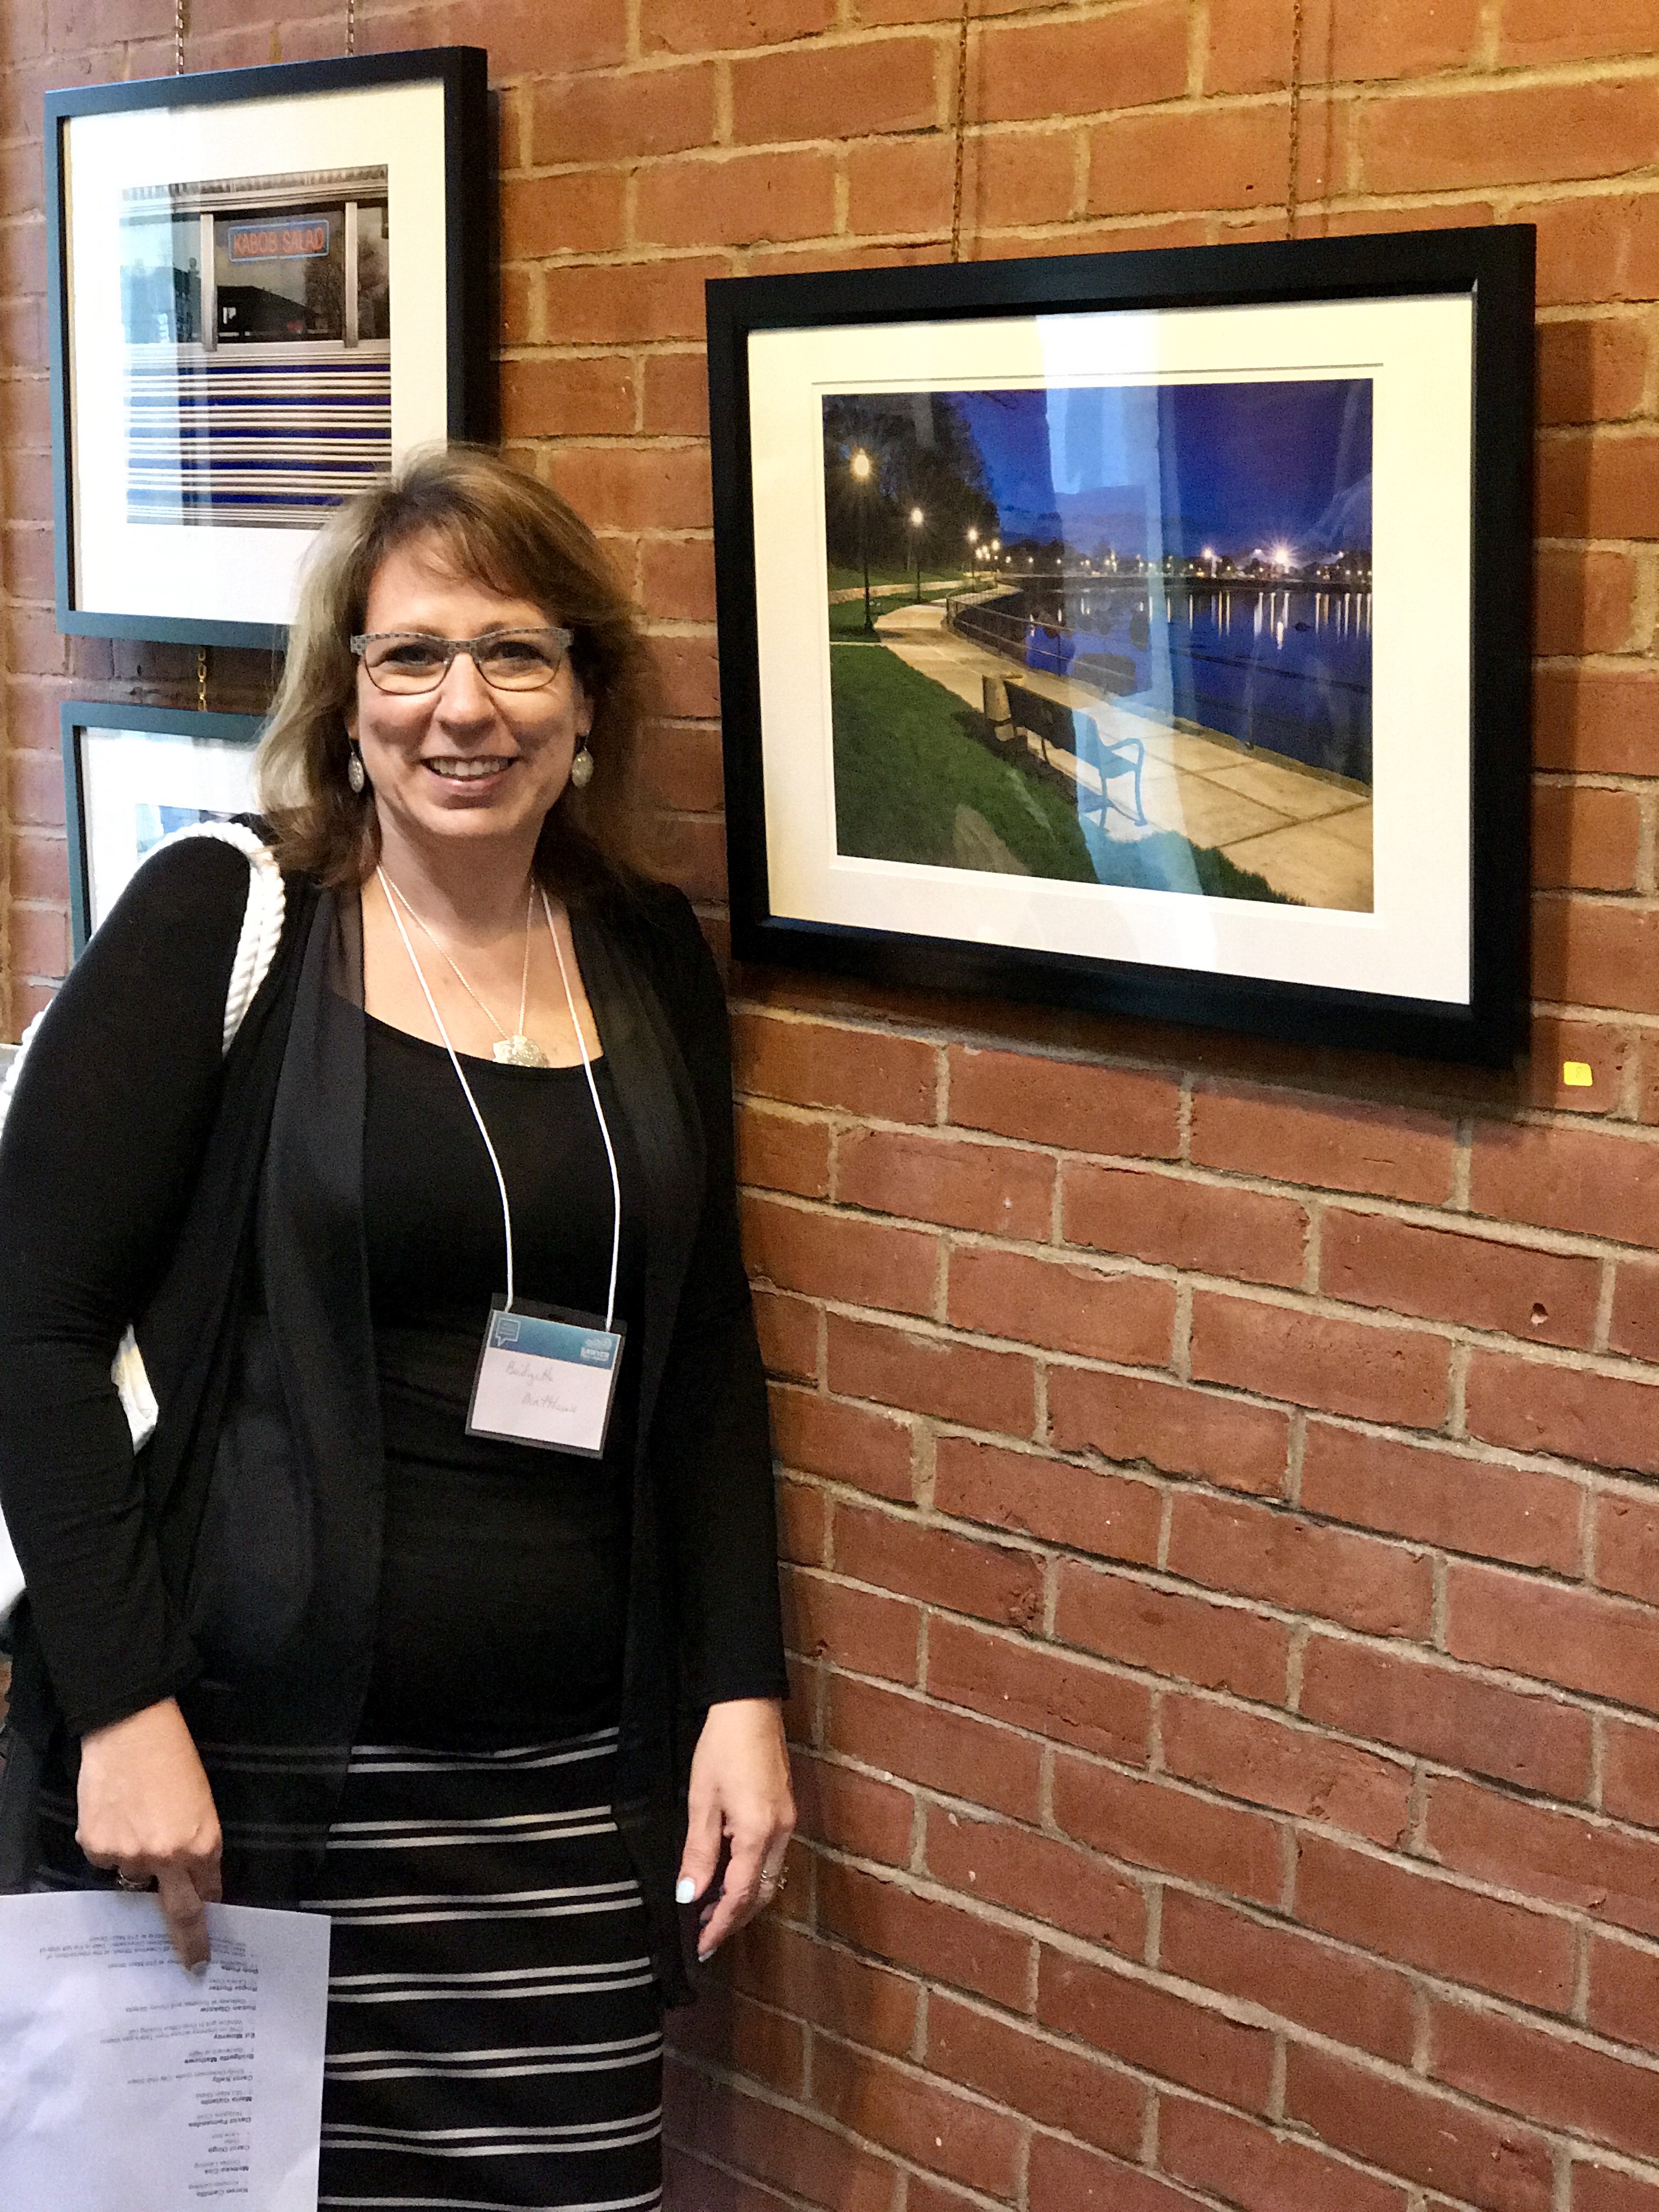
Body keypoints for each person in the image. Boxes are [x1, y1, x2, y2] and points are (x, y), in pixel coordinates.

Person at [0, 445, 794, 2210]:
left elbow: (703, 1365)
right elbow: (29, 1327)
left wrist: (742, 1690)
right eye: (412, 655)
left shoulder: (648, 952)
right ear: (345, 696)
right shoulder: (230, 918)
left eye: (516, 652)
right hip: (238, 1792)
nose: (465, 707)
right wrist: (123, 1711)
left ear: (587, 696)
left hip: (563, 1805)